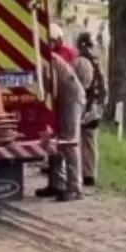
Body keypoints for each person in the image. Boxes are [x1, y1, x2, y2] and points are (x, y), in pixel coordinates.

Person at [35, 56, 86, 202]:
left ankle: (75, 188)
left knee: (69, 142)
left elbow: (53, 88)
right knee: (56, 140)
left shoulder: (45, 59)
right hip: (64, 97)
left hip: (71, 98)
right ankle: (56, 183)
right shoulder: (43, 56)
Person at [74, 32, 106, 187]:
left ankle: (81, 173)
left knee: (79, 140)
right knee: (91, 142)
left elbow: (81, 85)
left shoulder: (81, 62)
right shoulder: (97, 62)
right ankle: (90, 173)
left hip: (85, 107)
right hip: (96, 107)